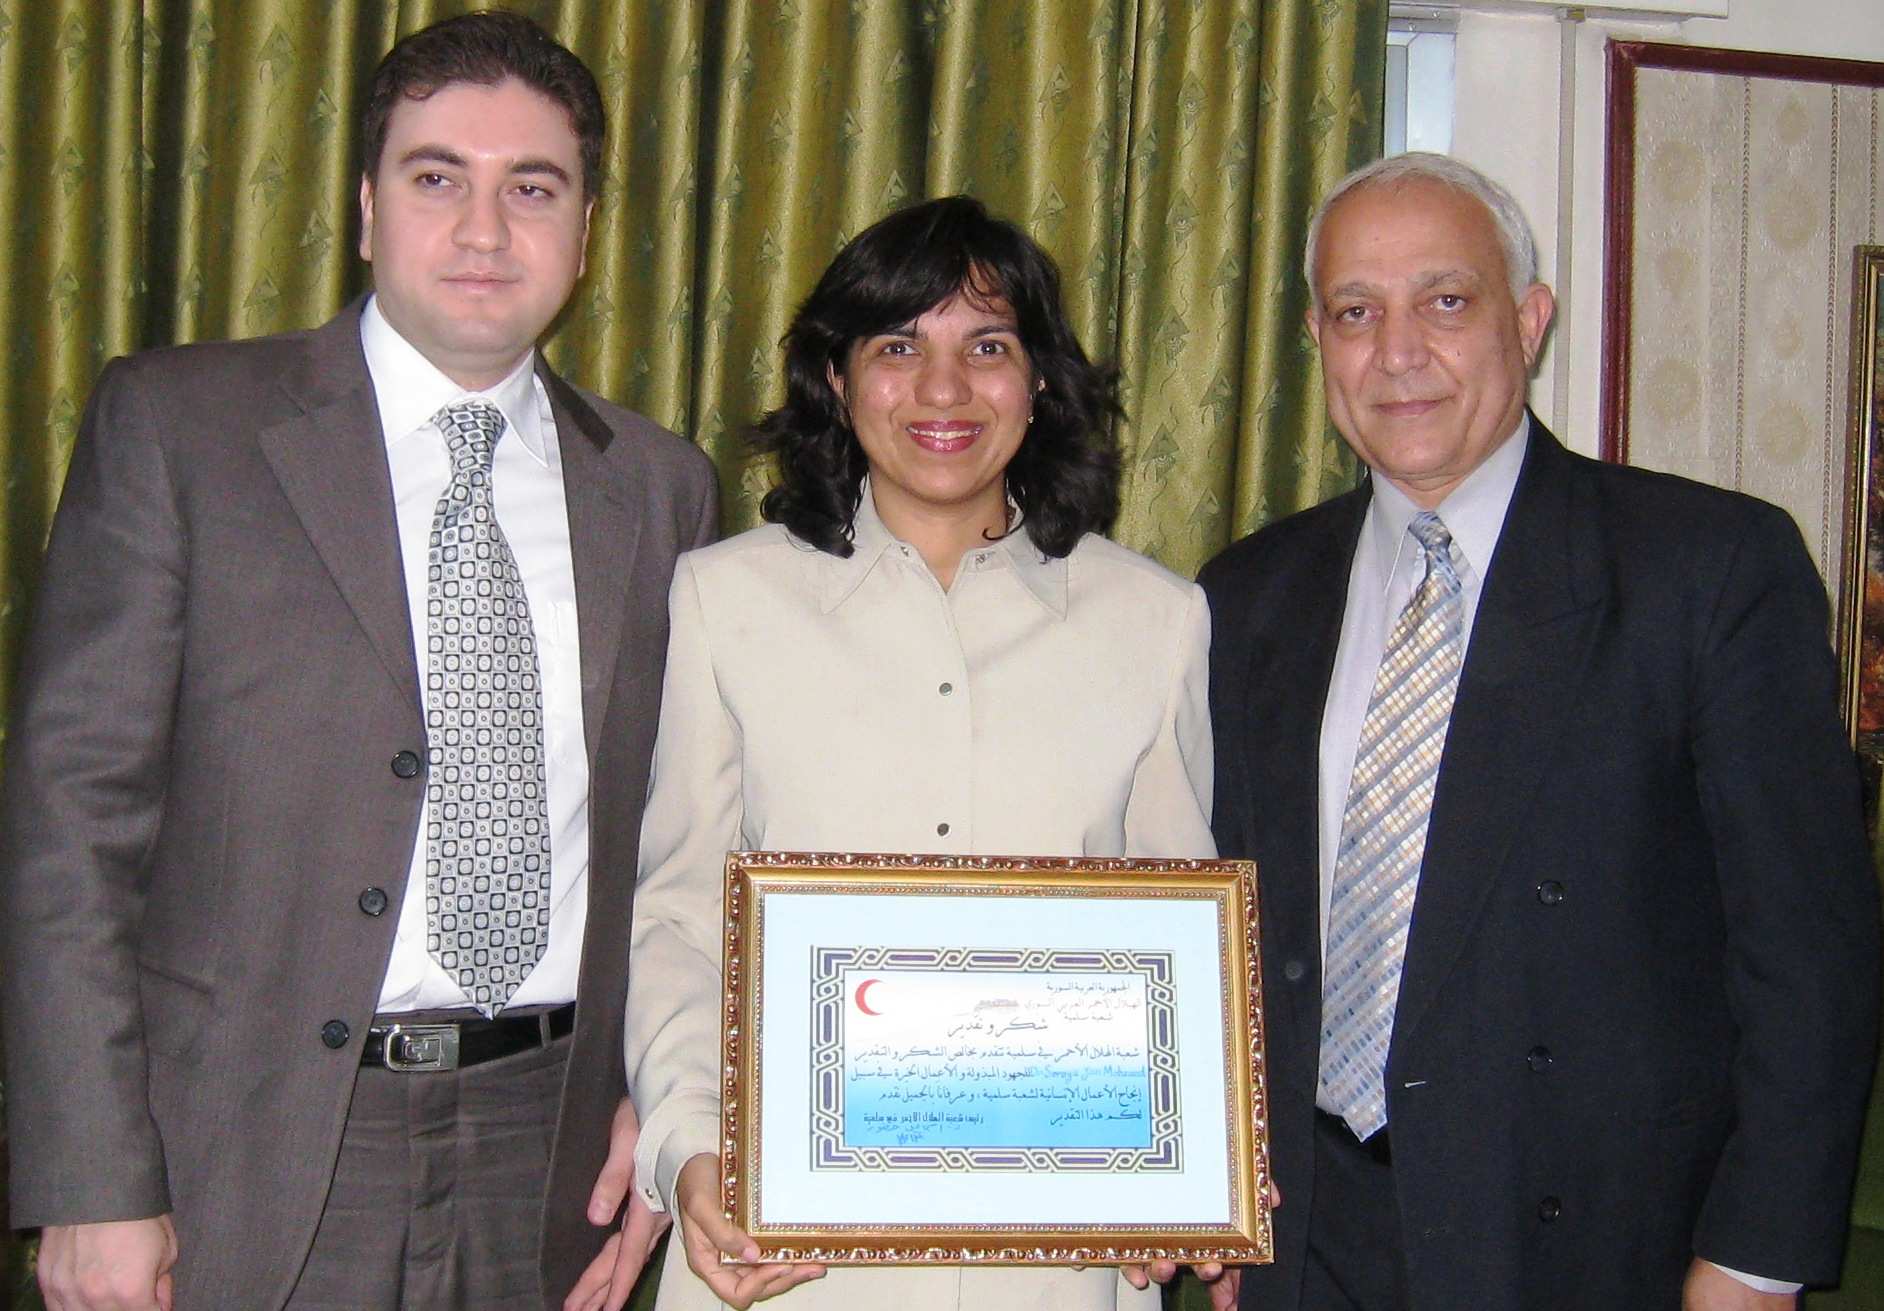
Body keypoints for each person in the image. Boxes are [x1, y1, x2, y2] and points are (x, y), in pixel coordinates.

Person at [0, 12, 715, 1310]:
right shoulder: (180, 427)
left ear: (588, 228)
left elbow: (682, 845)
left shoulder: (661, 487)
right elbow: (70, 825)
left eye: (532, 188)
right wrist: (92, 1175)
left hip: (543, 1156)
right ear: (367, 209)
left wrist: (669, 1101)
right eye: (438, 177)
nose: (486, 230)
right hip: (243, 1148)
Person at [1200, 150, 1880, 1310]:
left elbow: (1808, 953)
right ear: (1318, 344)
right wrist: (1218, 1193)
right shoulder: (1249, 594)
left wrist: (1757, 1257)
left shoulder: (1706, 570)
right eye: (1356, 311)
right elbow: (1235, 930)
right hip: (1309, 1243)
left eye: (1445, 301)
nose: (1398, 350)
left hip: (1598, 1246)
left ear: (1530, 318)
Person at [622, 195, 1219, 1311]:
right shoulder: (725, 599)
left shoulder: (1157, 621)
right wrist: (692, 1150)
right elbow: (680, 923)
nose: (944, 391)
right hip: (784, 1254)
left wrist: (1185, 1175)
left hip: (1059, 1259)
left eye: (987, 348)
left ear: (1039, 381)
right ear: (837, 379)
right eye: (899, 347)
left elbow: (1177, 943)